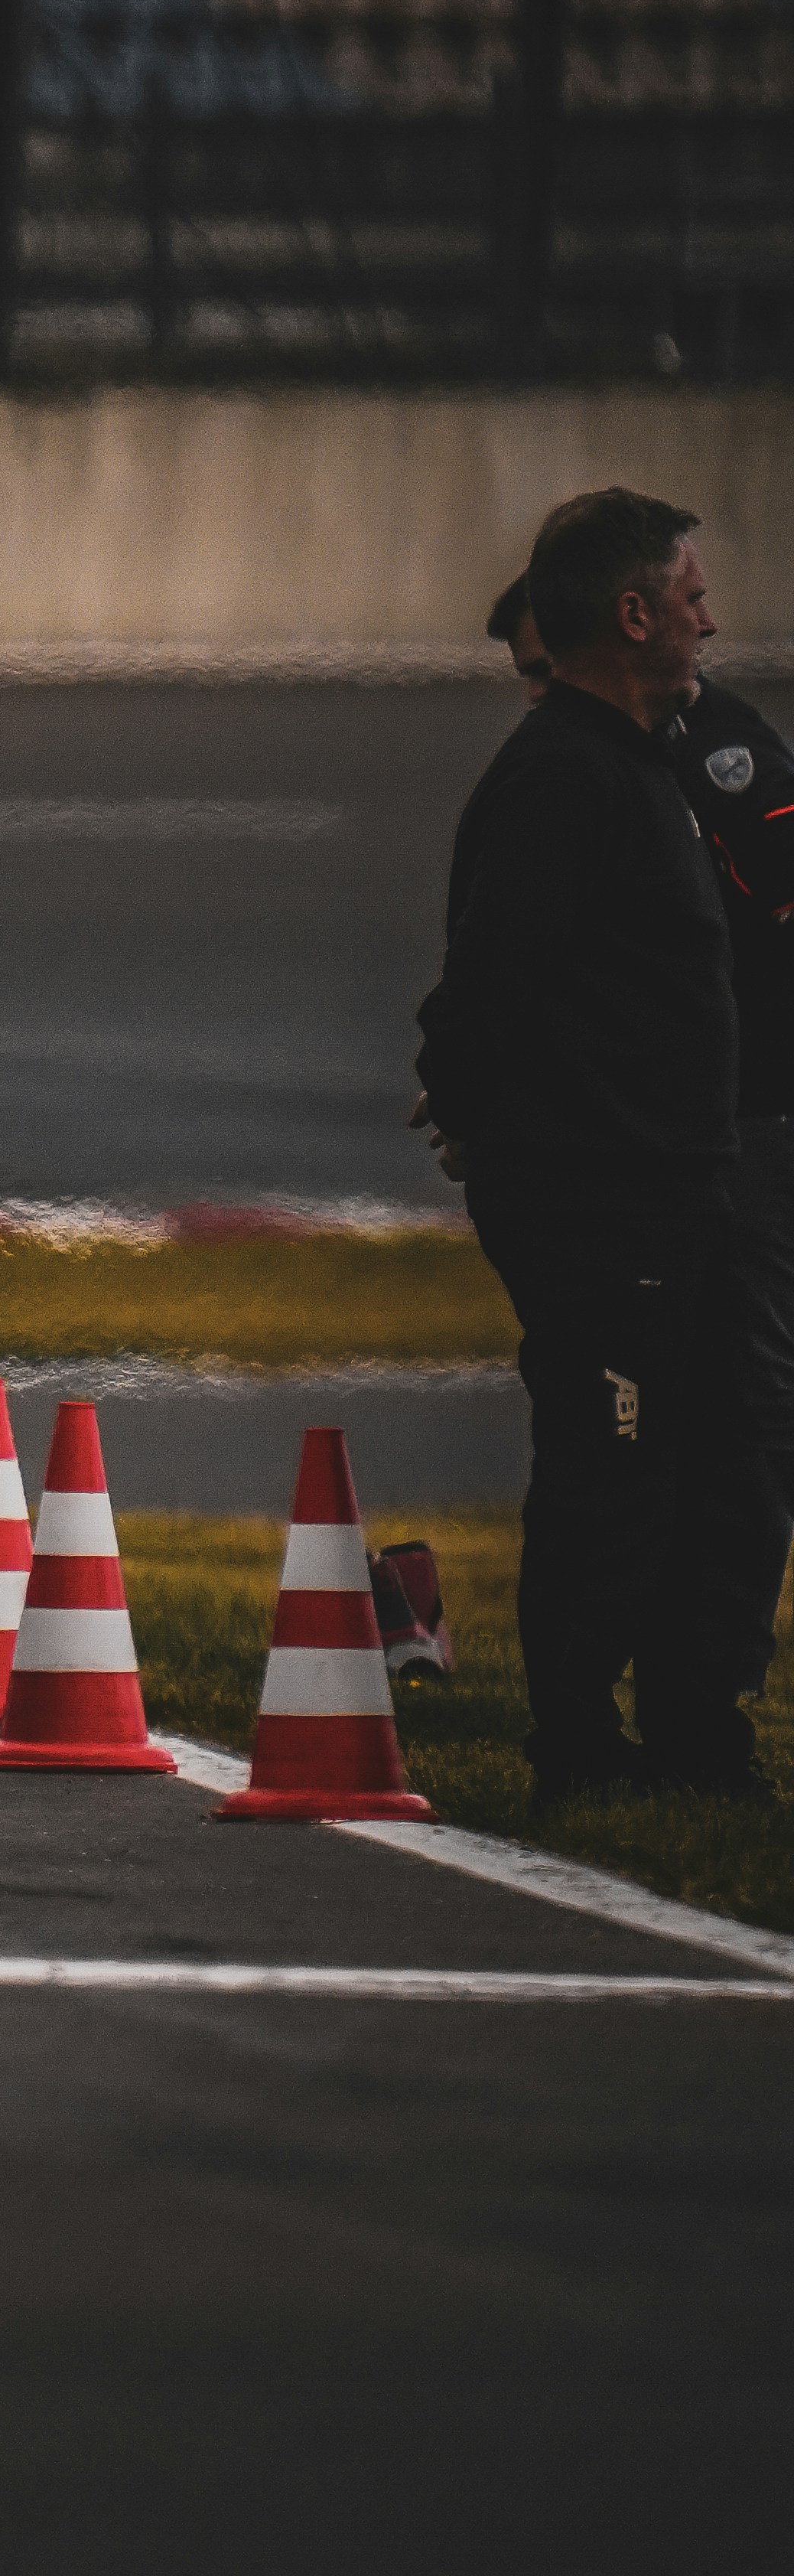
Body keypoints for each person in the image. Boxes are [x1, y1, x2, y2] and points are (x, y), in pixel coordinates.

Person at [414, 489, 787, 1799]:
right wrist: (483, 1118)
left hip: (668, 1190)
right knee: (608, 1464)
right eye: (688, 595)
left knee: (697, 1454)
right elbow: (486, 991)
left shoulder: (654, 761)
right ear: (630, 616)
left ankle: (679, 1730)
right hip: (607, 1201)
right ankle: (576, 1742)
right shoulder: (567, 776)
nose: (708, 617)